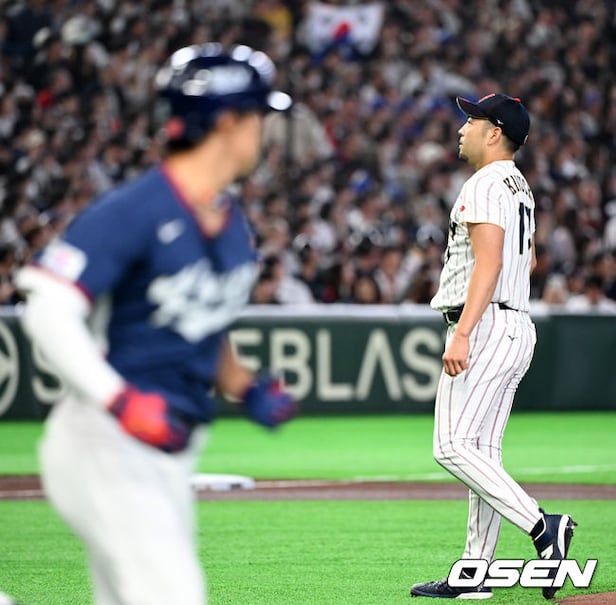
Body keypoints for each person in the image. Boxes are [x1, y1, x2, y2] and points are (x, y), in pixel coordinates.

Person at [15, 43, 298, 605]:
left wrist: (241, 383)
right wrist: (117, 400)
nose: (263, 131)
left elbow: (198, 323)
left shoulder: (227, 216)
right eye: (257, 117)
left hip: (169, 447)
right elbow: (46, 307)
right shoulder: (136, 209)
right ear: (226, 122)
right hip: (106, 442)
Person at [409, 94, 576, 600]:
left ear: (494, 132)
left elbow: (490, 263)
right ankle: (475, 572)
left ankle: (543, 526)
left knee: (450, 446)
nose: (463, 128)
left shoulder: (483, 182)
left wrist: (463, 332)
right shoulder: (518, 185)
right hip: (515, 323)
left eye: (472, 120)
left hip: (484, 325)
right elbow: (526, 261)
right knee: (482, 453)